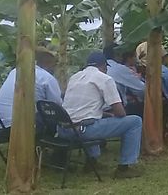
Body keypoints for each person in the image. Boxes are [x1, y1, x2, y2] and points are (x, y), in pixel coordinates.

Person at [59, 51, 142, 179]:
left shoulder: (75, 77)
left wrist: (106, 115)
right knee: (134, 121)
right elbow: (120, 112)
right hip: (84, 131)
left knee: (94, 119)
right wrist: (115, 115)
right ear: (103, 66)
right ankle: (124, 167)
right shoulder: (104, 78)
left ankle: (92, 162)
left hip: (64, 130)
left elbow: (82, 110)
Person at [0, 47, 62, 135]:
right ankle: (45, 145)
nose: (55, 68)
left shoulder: (16, 71)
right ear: (49, 63)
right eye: (55, 64)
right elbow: (56, 106)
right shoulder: (47, 78)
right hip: (16, 127)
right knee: (51, 118)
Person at [106, 48, 146, 117]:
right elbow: (142, 90)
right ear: (117, 55)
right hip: (113, 110)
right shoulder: (119, 69)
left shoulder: (99, 67)